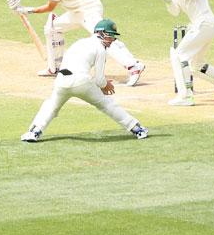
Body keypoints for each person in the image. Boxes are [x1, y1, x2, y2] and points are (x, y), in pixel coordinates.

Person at [7, 0, 145, 86]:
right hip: (76, 12)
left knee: (103, 38)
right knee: (52, 28)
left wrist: (26, 10)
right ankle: (55, 67)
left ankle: (133, 66)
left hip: (88, 9)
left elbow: (50, 7)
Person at [21, 18, 149, 142]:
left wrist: (102, 84)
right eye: (110, 36)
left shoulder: (80, 42)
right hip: (81, 81)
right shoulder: (100, 49)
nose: (113, 40)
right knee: (107, 104)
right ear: (101, 33)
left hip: (61, 81)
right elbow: (99, 80)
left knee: (51, 106)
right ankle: (137, 129)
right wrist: (106, 86)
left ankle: (34, 132)